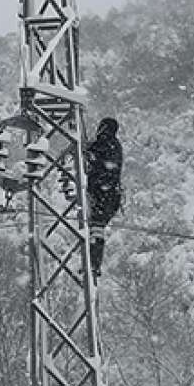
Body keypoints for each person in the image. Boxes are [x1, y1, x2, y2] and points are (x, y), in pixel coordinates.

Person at [85, 117, 123, 282]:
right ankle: (94, 264)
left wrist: (86, 151)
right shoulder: (115, 146)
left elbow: (91, 155)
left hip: (103, 194)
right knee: (97, 228)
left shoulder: (106, 142)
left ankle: (93, 264)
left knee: (95, 228)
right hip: (110, 197)